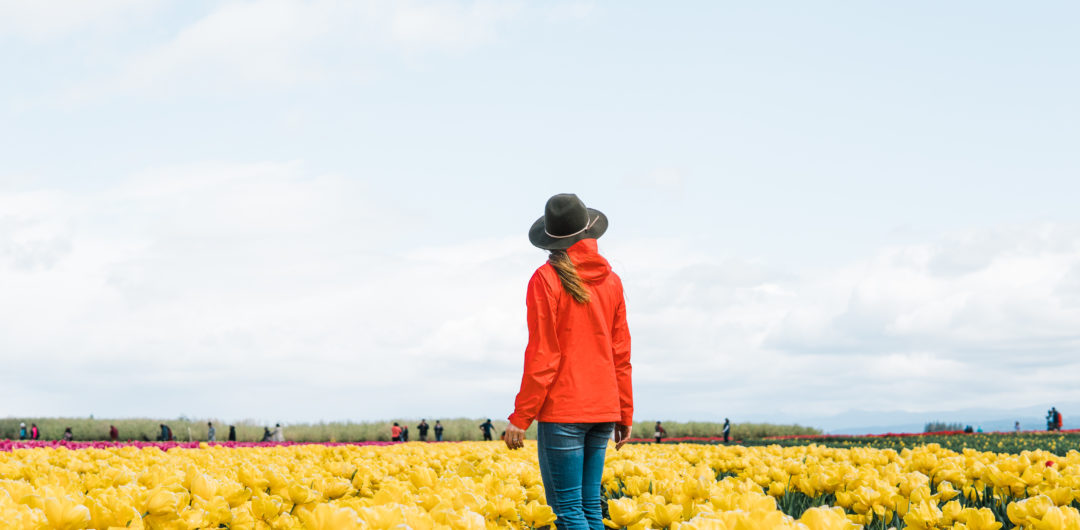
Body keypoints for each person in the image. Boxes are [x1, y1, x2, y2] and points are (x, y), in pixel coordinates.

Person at [505, 194, 633, 530]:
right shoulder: (613, 282)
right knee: (590, 507)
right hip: (604, 409)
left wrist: (522, 416)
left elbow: (543, 355)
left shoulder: (545, 279)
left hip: (564, 410)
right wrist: (624, 411)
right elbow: (621, 354)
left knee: (568, 512)